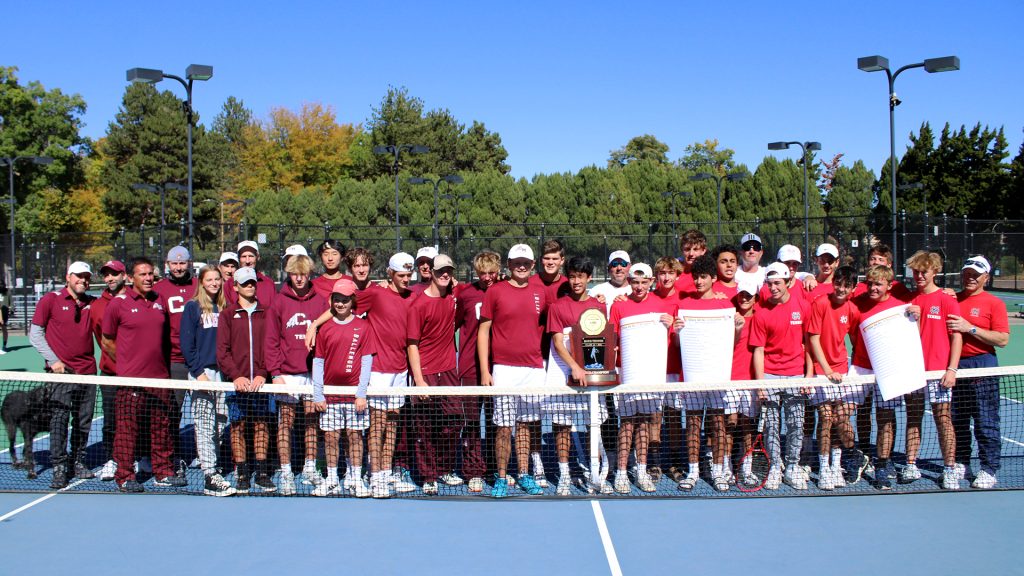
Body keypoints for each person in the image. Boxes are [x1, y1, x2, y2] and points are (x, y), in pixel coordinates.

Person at [101, 257, 182, 493]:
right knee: (127, 431)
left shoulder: (160, 302)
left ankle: (163, 472)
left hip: (159, 379)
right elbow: (107, 340)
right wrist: (126, 364)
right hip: (130, 381)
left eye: (150, 274)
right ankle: (125, 476)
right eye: (142, 274)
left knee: (161, 428)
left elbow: (163, 338)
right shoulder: (119, 303)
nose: (148, 278)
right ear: (130, 278)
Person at [478, 244, 548, 498]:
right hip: (504, 370)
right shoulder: (495, 291)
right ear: (508, 265)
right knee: (504, 427)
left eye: (526, 262)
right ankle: (501, 476)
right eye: (517, 262)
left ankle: (524, 473)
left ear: (532, 265)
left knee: (526, 425)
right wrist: (486, 370)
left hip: (533, 369)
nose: (521, 266)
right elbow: (483, 330)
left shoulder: (541, 292)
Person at [544, 256, 610, 495]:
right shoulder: (557, 307)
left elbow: (602, 342)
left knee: (594, 424)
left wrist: (591, 369)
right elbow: (558, 343)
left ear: (588, 278)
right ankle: (564, 475)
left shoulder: (599, 306)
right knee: (562, 426)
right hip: (563, 371)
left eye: (580, 276)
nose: (575, 281)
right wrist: (574, 366)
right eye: (571, 276)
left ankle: (595, 472)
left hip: (591, 374)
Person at [609, 262, 675, 493]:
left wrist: (673, 325)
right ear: (629, 282)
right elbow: (613, 340)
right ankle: (621, 473)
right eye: (634, 282)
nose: (638, 287)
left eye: (643, 282)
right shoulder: (618, 306)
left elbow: (673, 336)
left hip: (651, 376)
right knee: (627, 424)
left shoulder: (662, 307)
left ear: (650, 282)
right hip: (627, 375)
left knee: (645, 423)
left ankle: (641, 469)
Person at [30, 261, 97, 488]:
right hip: (61, 375)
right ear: (68, 277)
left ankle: (78, 461)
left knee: (83, 421)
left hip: (87, 373)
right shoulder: (51, 300)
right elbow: (35, 334)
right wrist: (53, 360)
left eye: (86, 277)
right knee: (58, 420)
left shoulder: (92, 303)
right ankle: (59, 465)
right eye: (78, 276)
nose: (83, 280)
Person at [264, 254, 327, 494]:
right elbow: (270, 341)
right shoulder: (279, 302)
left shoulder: (320, 301)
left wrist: (320, 374)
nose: (299, 278)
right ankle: (287, 472)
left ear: (309, 274)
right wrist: (275, 373)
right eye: (294, 273)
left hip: (312, 374)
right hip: (286, 375)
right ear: (288, 274)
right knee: (285, 424)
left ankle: (310, 467)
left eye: (303, 273)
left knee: (312, 422)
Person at [359, 252, 419, 498]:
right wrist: (314, 325)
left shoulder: (414, 297)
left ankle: (385, 471)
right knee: (377, 425)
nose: (406, 279)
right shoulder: (375, 293)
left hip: (400, 370)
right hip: (378, 369)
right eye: (401, 275)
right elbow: (341, 304)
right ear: (390, 274)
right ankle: (374, 475)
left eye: (408, 275)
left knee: (393, 422)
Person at [749, 261, 812, 490]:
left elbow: (809, 343)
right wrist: (761, 383)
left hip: (796, 375)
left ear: (787, 282)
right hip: (770, 375)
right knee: (772, 427)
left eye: (778, 283)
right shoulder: (762, 313)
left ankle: (792, 466)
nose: (773, 287)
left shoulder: (803, 306)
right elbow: (758, 350)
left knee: (796, 425)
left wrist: (809, 375)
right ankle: (775, 466)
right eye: (770, 283)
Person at [674, 255, 735, 492]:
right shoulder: (685, 304)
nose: (698, 281)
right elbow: (679, 345)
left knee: (718, 423)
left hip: (717, 376)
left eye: (703, 277)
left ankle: (718, 472)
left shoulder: (726, 305)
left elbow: (732, 341)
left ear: (713, 279)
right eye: (696, 277)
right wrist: (678, 332)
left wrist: (737, 326)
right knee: (692, 423)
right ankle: (693, 471)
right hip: (693, 377)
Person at [947, 255, 1009, 489]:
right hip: (956, 366)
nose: (970, 278)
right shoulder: (952, 299)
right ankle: (962, 462)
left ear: (986, 277)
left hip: (983, 364)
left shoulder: (995, 304)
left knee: (986, 421)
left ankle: (989, 468)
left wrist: (969, 328)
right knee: (958, 420)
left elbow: (1002, 339)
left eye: (975, 274)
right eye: (967, 273)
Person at [847, 265, 911, 490]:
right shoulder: (857, 304)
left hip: (888, 369)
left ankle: (882, 465)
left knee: (885, 418)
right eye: (871, 284)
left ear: (889, 286)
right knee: (843, 413)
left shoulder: (901, 309)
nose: (873, 288)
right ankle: (857, 454)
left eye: (878, 284)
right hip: (860, 367)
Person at [904, 251, 962, 489]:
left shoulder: (947, 299)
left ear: (934, 272)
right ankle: (910, 465)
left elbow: (956, 337)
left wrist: (952, 369)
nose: (919, 276)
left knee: (943, 419)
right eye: (916, 272)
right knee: (913, 418)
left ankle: (949, 469)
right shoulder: (909, 301)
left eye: (923, 272)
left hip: (939, 374)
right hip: (915, 373)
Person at [311, 278, 373, 498]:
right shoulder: (325, 329)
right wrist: (318, 394)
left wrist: (361, 393)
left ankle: (355, 479)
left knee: (355, 436)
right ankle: (332, 479)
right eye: (337, 300)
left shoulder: (363, 327)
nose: (341, 304)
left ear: (352, 301)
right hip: (330, 396)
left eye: (345, 300)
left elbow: (366, 362)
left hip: (354, 397)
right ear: (332, 301)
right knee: (330, 438)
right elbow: (318, 362)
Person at [217, 266, 275, 493]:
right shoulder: (227, 315)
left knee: (262, 425)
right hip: (237, 384)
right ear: (236, 287)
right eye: (245, 283)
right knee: (237, 427)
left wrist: (262, 372)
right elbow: (222, 352)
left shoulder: (267, 313)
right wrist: (236, 376)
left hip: (261, 382)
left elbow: (271, 347)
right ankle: (242, 473)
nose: (250, 286)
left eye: (252, 282)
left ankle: (261, 472)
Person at [407, 254, 461, 495]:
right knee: (425, 428)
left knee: (452, 423)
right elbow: (412, 344)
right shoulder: (418, 304)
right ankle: (429, 475)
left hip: (449, 371)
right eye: (441, 271)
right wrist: (419, 380)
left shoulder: (452, 298)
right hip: (426, 374)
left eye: (448, 271)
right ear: (432, 273)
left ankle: (444, 469)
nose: (445, 274)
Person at [180, 264, 235, 497]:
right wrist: (198, 371)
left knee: (220, 422)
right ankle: (209, 474)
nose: (214, 283)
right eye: (209, 279)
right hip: (202, 373)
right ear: (201, 282)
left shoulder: (224, 307)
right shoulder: (192, 308)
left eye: (217, 279)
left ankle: (214, 465)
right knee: (204, 424)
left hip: (221, 375)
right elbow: (187, 344)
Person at [805, 265, 861, 490]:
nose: (841, 288)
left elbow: (857, 341)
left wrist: (853, 370)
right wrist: (826, 369)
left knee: (839, 418)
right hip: (822, 371)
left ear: (852, 288)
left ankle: (836, 465)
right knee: (825, 418)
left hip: (842, 370)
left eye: (846, 285)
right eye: (838, 283)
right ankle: (824, 467)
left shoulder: (853, 310)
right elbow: (813, 339)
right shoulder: (819, 304)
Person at [452, 250, 501, 493]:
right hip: (471, 368)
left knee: (497, 422)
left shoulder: (504, 291)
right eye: (483, 273)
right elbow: (454, 323)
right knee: (471, 422)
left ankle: (494, 469)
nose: (488, 277)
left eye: (492, 272)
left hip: (500, 367)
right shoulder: (466, 294)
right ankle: (473, 471)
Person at [153, 245, 197, 479]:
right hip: (174, 362)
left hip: (199, 363)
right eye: (174, 263)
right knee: (172, 414)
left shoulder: (200, 286)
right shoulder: (159, 290)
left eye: (183, 263)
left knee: (204, 414)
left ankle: (209, 457)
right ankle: (174, 458)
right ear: (167, 264)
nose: (179, 267)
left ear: (190, 263)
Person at [89, 260, 127, 481]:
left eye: (114, 274)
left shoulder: (136, 299)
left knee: (137, 419)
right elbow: (100, 338)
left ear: (124, 275)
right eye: (106, 275)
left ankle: (137, 457)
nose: (110, 278)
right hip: (111, 374)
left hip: (137, 374)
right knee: (111, 420)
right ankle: (112, 460)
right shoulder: (97, 306)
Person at [652, 256, 685, 483]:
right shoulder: (648, 299)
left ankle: (673, 462)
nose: (666, 277)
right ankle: (654, 463)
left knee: (674, 418)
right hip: (653, 369)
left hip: (676, 369)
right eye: (662, 273)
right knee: (655, 418)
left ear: (676, 276)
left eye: (670, 273)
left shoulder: (685, 301)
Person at [730, 279, 761, 486]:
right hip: (730, 380)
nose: (744, 298)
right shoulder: (730, 318)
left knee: (747, 426)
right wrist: (737, 329)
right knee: (729, 424)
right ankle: (727, 467)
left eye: (749, 295)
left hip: (751, 381)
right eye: (742, 294)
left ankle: (747, 467)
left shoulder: (761, 319)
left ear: (755, 298)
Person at [589, 250, 632, 315]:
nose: (619, 268)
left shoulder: (638, 291)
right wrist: (592, 303)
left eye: (623, 264)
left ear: (629, 267)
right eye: (614, 264)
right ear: (609, 269)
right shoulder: (596, 291)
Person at [235, 240, 276, 306]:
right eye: (244, 256)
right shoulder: (229, 285)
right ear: (239, 259)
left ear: (258, 257)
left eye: (251, 256)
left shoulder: (269, 284)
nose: (247, 261)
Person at [673, 229, 708, 295]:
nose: (691, 253)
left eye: (695, 249)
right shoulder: (672, 271)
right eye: (687, 249)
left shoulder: (710, 272)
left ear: (703, 250)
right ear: (682, 249)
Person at [0, 279, 9, 353]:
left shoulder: (7, 292)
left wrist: (11, 308)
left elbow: (11, 302)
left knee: (4, 328)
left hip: (4, 312)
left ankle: (4, 345)